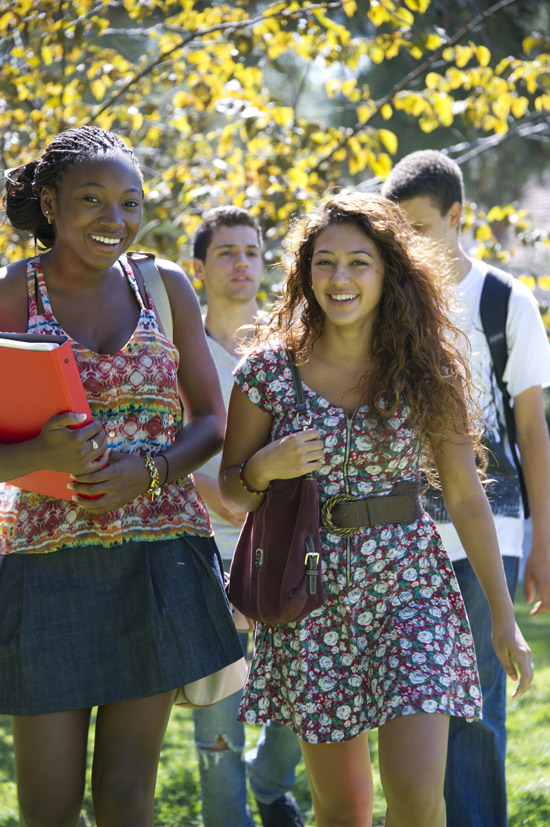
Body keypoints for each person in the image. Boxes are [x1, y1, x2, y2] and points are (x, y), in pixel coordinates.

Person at [217, 191, 534, 827]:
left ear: (389, 271)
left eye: (359, 262)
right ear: (306, 272)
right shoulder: (268, 373)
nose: (340, 279)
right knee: (344, 808)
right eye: (325, 262)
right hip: (312, 594)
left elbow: (467, 495)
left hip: (409, 586)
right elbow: (231, 490)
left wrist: (504, 617)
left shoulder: (426, 371)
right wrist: (263, 467)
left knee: (418, 798)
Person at [0, 125, 243, 827]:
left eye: (130, 202)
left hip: (159, 560)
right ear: (50, 202)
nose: (116, 218)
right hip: (45, 568)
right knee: (47, 806)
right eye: (92, 199)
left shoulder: (163, 285)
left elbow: (212, 422)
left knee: (128, 796)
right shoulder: (14, 294)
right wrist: (42, 455)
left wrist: (152, 470)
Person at [381, 150, 550, 827]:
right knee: (414, 701)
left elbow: (533, 429)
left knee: (477, 698)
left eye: (419, 228)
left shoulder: (503, 298)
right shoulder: (383, 302)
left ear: (457, 217)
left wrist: (542, 542)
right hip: (397, 529)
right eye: (396, 232)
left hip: (495, 523)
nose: (405, 246)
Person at [190, 206, 305, 827]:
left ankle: (271, 779)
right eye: (227, 252)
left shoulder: (289, 349)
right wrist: (232, 499)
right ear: (199, 268)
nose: (242, 263)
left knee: (295, 697)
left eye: (252, 252)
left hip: (286, 551)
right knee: (218, 717)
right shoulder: (183, 354)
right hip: (206, 551)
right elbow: (173, 462)